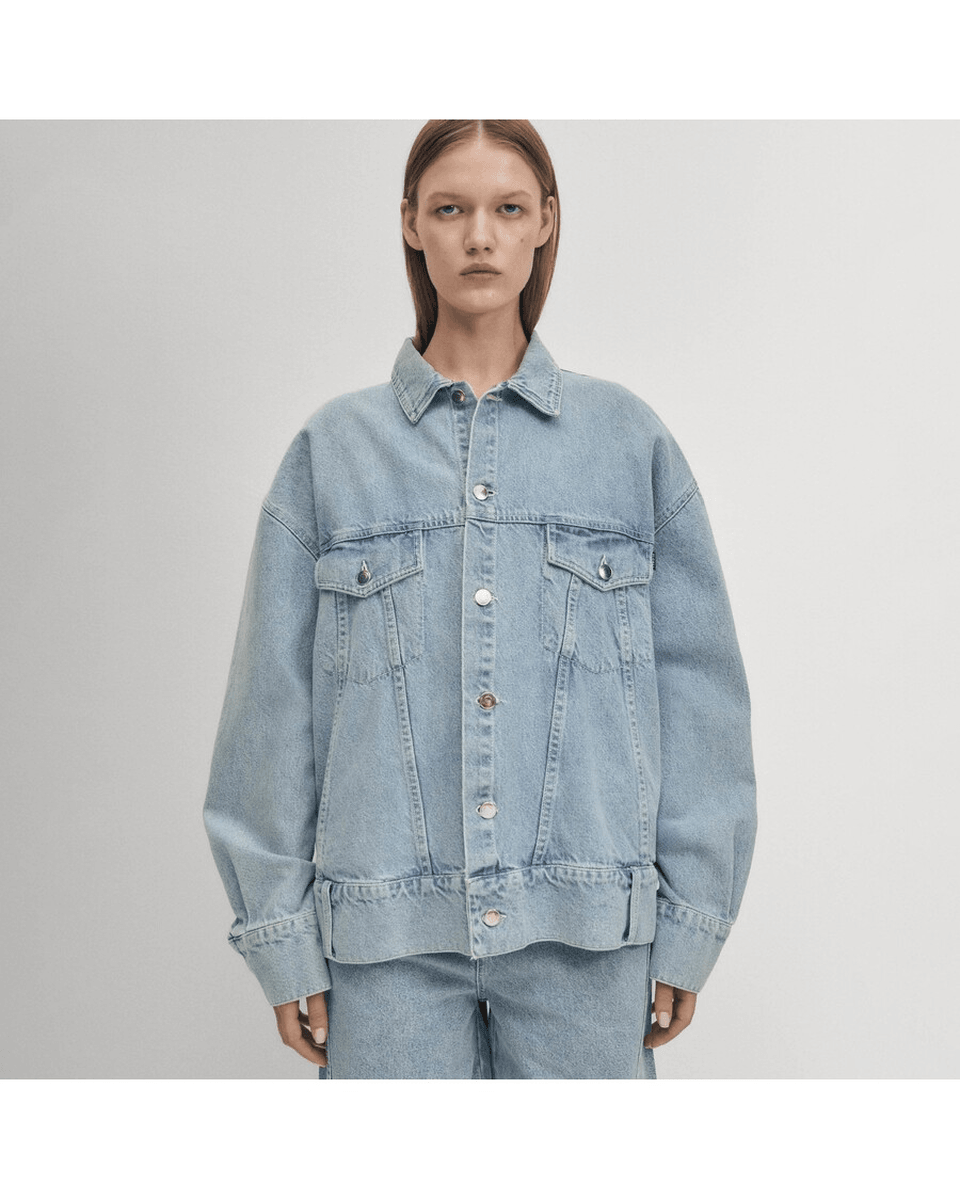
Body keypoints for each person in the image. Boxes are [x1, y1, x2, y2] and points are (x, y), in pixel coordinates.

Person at [203, 119, 757, 1079]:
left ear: (546, 222)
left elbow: (700, 694)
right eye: (451, 209)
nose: (480, 237)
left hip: (588, 938)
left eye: (507, 209)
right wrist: (278, 934)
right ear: (411, 224)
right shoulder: (334, 454)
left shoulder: (628, 443)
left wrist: (692, 918)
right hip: (384, 946)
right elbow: (271, 709)